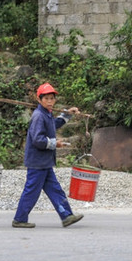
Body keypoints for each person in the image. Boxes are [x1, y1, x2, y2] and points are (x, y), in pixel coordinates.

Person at [12, 82, 84, 228]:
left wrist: (67, 114)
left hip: (44, 162)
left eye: (52, 98)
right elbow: (37, 140)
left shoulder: (47, 114)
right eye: (47, 99)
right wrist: (55, 143)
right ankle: (19, 219)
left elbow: (55, 124)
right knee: (32, 190)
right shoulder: (39, 116)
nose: (50, 101)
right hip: (37, 162)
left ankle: (67, 216)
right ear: (39, 100)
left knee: (55, 189)